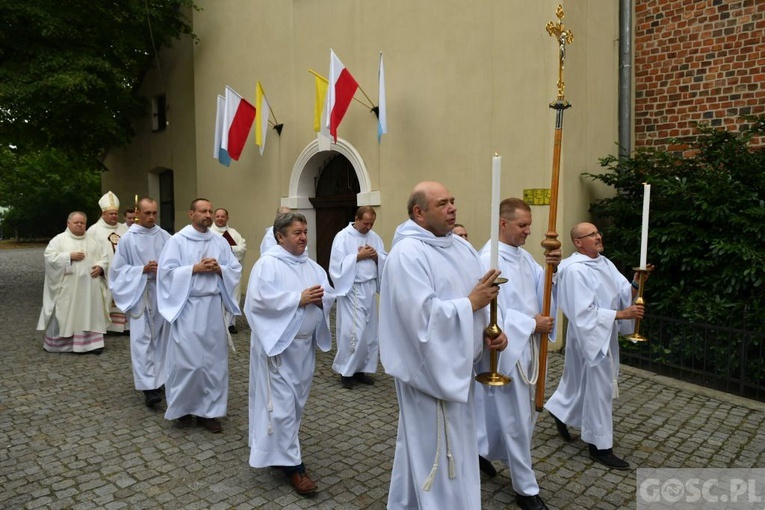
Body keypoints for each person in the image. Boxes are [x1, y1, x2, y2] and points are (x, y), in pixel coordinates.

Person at [379, 181, 507, 510]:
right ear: (418, 213)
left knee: (439, 450)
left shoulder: (461, 247)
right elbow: (420, 320)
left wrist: (492, 332)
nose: (452, 208)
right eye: (442, 204)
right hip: (429, 372)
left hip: (458, 366)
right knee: (440, 454)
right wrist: (470, 305)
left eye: (452, 201)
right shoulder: (407, 255)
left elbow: (485, 297)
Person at [473, 198, 560, 510]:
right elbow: (491, 314)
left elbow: (543, 288)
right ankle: (526, 489)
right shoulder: (487, 259)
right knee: (515, 420)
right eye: (522, 225)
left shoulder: (523, 258)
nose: (528, 231)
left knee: (511, 417)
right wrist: (531, 322)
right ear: (503, 224)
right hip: (506, 351)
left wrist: (554, 267)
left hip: (528, 347)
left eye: (529, 225)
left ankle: (479, 451)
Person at [245, 212, 335, 495]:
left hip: (303, 349)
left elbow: (329, 294)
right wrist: (298, 298)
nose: (304, 237)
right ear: (280, 236)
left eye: (305, 231)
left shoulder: (313, 267)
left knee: (293, 406)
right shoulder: (267, 265)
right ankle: (294, 468)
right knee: (281, 407)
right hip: (280, 348)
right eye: (297, 232)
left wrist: (322, 300)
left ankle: (278, 452)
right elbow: (257, 302)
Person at [544, 222, 645, 470]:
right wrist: (621, 315)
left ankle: (559, 410)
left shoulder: (604, 262)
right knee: (598, 389)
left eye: (598, 232)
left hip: (603, 331)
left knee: (579, 381)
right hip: (589, 336)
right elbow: (582, 312)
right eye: (592, 235)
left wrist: (635, 282)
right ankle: (600, 446)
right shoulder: (576, 270)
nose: (598, 236)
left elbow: (622, 292)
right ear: (579, 242)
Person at [157, 198, 242, 433]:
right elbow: (165, 273)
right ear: (191, 213)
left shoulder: (219, 241)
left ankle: (210, 412)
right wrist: (194, 269)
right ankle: (182, 409)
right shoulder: (177, 241)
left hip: (212, 308)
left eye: (210, 211)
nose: (208, 215)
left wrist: (219, 269)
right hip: (188, 307)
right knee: (188, 362)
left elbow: (234, 268)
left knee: (214, 364)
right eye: (203, 211)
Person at [108, 198, 172, 408]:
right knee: (142, 341)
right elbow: (117, 271)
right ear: (138, 213)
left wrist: (162, 268)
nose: (152, 217)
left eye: (154, 213)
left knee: (163, 339)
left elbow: (176, 263)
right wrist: (141, 270)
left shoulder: (164, 236)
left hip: (161, 293)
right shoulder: (128, 239)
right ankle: (148, 387)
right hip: (140, 293)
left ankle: (161, 379)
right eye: (147, 213)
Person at [329, 206, 387, 389]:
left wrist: (377, 256)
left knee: (369, 333)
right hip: (353, 289)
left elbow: (385, 258)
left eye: (371, 223)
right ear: (357, 218)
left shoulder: (374, 237)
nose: (368, 227)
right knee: (355, 331)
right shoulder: (343, 237)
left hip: (369, 287)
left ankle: (361, 369)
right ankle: (346, 371)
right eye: (365, 223)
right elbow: (336, 265)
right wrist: (357, 256)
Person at [37, 212, 110, 354]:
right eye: (76, 222)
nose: (79, 225)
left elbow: (105, 257)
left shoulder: (94, 240)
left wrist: (101, 267)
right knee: (66, 312)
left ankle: (92, 345)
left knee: (90, 313)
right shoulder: (59, 240)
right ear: (68, 223)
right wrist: (68, 257)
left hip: (90, 289)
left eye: (82, 223)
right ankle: (63, 345)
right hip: (68, 288)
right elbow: (49, 259)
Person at [87, 191, 129, 333]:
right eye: (110, 214)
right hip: (104, 272)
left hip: (123, 272)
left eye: (115, 213)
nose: (114, 216)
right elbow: (89, 251)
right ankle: (107, 326)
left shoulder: (124, 229)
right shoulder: (94, 230)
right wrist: (98, 266)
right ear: (103, 214)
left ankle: (123, 326)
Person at [211, 207, 248, 334]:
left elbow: (242, 248)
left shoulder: (233, 233)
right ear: (214, 217)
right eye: (218, 216)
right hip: (216, 271)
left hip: (232, 271)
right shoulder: (209, 232)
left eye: (223, 216)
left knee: (233, 295)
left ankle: (231, 323)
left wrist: (230, 249)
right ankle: (218, 323)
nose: (220, 218)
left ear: (227, 218)